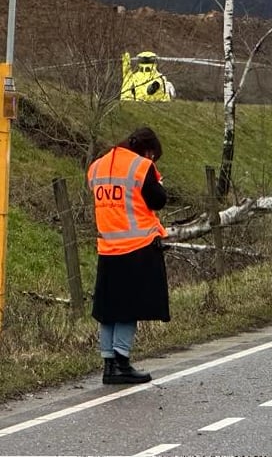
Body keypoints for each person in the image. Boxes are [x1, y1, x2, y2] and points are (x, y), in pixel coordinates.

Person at [89, 127, 170, 384]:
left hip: (107, 247)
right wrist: (157, 181)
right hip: (137, 247)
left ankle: (109, 364)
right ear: (148, 151)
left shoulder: (98, 166)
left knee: (109, 309)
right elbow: (158, 200)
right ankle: (122, 361)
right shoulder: (140, 166)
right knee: (129, 308)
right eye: (153, 156)